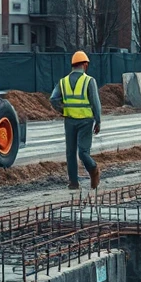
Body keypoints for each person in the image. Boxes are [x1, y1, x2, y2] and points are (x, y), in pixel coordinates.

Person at [50, 51, 102, 190]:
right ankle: (93, 170)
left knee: (70, 152)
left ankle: (74, 183)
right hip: (86, 121)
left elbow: (53, 99)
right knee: (83, 152)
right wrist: (98, 121)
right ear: (85, 65)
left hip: (69, 121)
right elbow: (95, 102)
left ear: (73, 65)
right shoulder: (89, 80)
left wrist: (63, 110)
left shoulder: (63, 82)